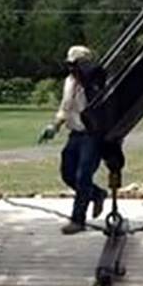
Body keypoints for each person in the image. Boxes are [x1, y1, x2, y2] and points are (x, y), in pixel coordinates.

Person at [39, 46, 108, 235]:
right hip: (75, 133)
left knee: (83, 175)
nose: (72, 69)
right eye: (70, 65)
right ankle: (97, 194)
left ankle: (78, 220)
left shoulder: (97, 82)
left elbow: (99, 105)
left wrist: (88, 83)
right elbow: (65, 107)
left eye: (75, 65)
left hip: (91, 135)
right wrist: (54, 126)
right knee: (67, 173)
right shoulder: (69, 82)